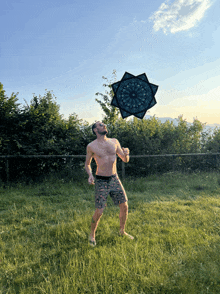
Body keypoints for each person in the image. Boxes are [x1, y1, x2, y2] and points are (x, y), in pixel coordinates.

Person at [85, 121, 134, 246]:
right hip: (101, 180)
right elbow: (87, 164)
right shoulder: (91, 146)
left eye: (104, 124)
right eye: (100, 125)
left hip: (114, 178)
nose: (104, 125)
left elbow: (125, 159)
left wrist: (127, 153)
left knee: (124, 206)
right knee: (100, 211)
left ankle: (122, 231)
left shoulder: (114, 141)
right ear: (95, 130)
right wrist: (90, 175)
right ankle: (92, 235)